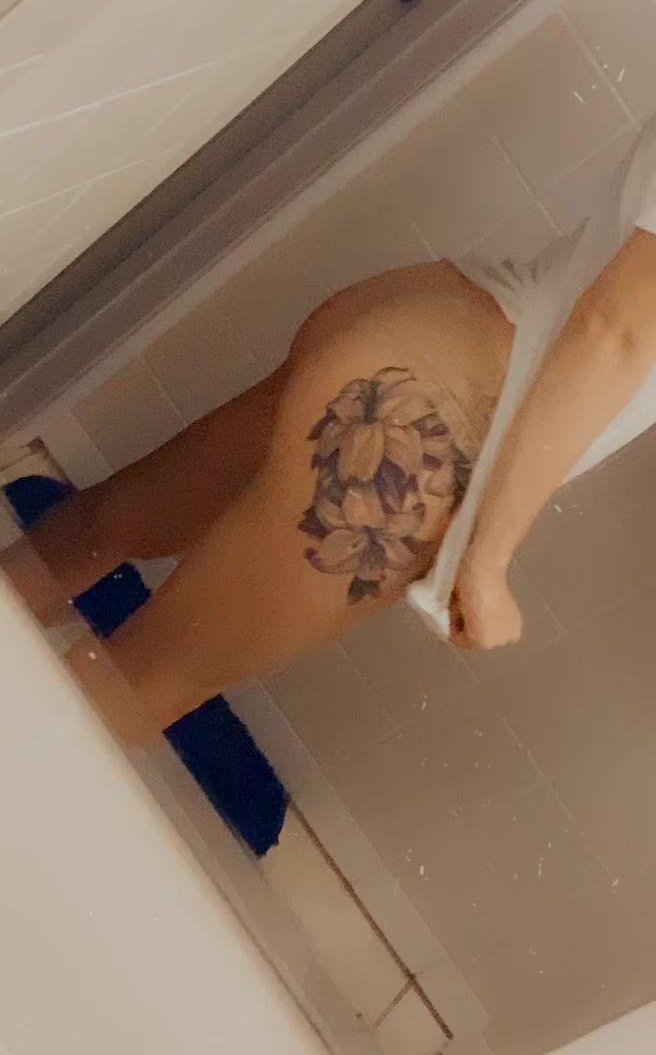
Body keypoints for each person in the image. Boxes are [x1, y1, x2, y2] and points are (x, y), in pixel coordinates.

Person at [3, 120, 656, 744]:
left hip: (432, 342)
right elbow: (616, 334)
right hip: (433, 424)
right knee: (133, 689)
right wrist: (486, 561)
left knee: (104, 528)